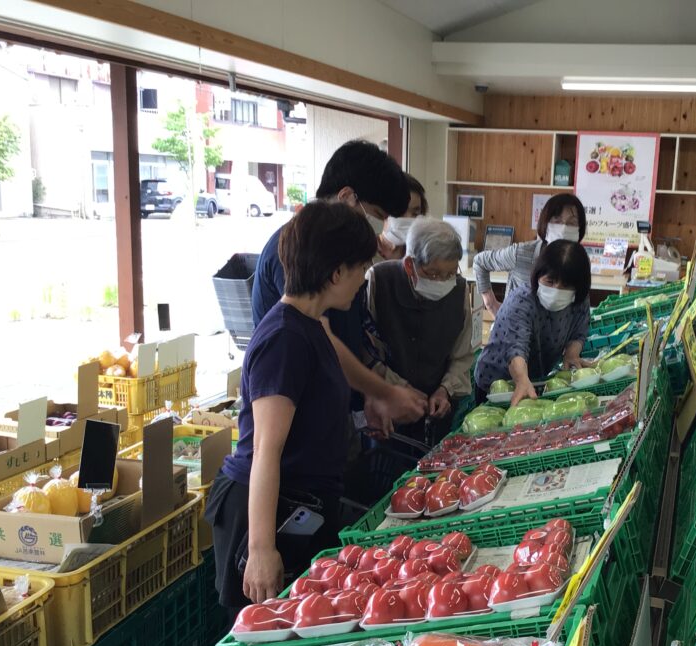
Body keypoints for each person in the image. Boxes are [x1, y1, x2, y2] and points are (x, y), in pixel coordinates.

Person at [207, 201, 377, 610]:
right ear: (336, 272)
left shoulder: (311, 325)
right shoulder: (285, 339)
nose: (364, 278)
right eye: (361, 268)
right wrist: (262, 549)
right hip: (267, 513)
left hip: (300, 506)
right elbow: (267, 448)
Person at [250, 139, 427, 436]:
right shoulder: (295, 250)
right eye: (376, 216)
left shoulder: (345, 264)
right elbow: (323, 336)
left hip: (335, 423)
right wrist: (384, 392)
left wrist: (370, 393)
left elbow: (351, 336)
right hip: (297, 432)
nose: (378, 232)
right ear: (346, 197)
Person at [366, 218, 474, 447]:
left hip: (436, 411)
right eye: (433, 274)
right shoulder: (379, 280)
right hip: (386, 409)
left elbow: (462, 355)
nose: (443, 281)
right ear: (409, 265)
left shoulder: (460, 291)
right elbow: (365, 350)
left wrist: (445, 389)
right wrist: (396, 388)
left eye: (449, 273)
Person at [473, 240, 592, 406]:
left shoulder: (579, 298)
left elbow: (579, 330)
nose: (557, 289)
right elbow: (516, 348)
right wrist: (521, 379)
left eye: (566, 285)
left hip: (535, 378)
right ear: (537, 276)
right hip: (497, 382)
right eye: (550, 282)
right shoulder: (521, 300)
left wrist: (572, 354)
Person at [473, 194, 586, 316]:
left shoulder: (579, 263)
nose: (564, 228)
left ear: (580, 229)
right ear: (545, 224)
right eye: (557, 221)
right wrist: (491, 304)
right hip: (514, 330)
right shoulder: (521, 253)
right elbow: (480, 262)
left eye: (572, 223)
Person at [377, 174, 428, 262]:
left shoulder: (422, 255)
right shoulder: (365, 254)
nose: (408, 218)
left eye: (415, 213)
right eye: (400, 212)